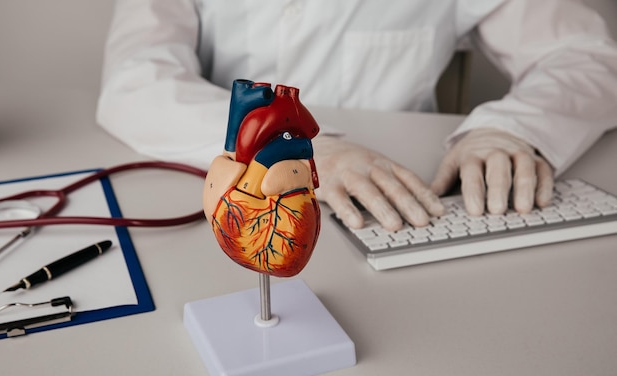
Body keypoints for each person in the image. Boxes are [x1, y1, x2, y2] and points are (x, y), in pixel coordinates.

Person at [97, 0, 617, 231]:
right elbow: (135, 82)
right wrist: (294, 147)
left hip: (401, 201)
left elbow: (585, 55)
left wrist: (511, 126)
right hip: (241, 200)